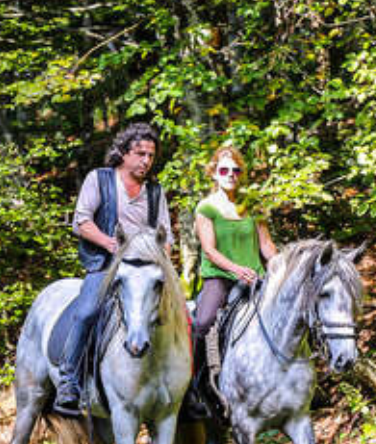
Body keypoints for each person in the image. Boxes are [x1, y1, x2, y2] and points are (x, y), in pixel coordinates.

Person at [49, 123, 172, 415]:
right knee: (89, 310)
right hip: (106, 265)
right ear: (124, 153)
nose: (146, 161)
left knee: (181, 316)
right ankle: (69, 381)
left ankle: (186, 390)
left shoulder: (155, 192)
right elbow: (81, 222)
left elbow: (165, 235)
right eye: (140, 153)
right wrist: (110, 244)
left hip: (145, 269)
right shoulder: (99, 179)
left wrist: (164, 263)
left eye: (151, 155)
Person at [184, 145, 276, 417]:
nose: (231, 174)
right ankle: (195, 387)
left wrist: (282, 268)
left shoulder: (253, 205)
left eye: (236, 170)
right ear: (214, 173)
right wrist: (237, 270)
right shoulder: (206, 207)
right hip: (220, 278)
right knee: (203, 322)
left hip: (254, 278)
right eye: (224, 169)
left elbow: (267, 245)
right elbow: (210, 250)